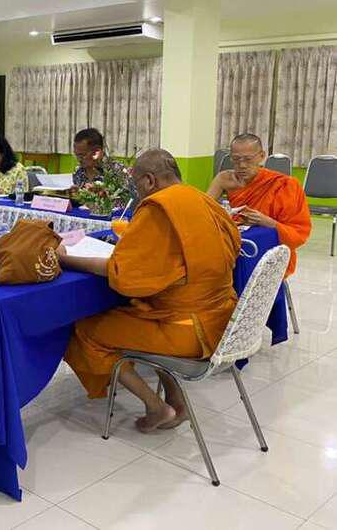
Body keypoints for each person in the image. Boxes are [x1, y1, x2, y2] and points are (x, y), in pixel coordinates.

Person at [58, 148, 241, 432]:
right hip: (224, 321)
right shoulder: (204, 199)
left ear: (149, 181)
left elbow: (122, 274)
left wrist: (66, 260)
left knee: (83, 330)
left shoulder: (159, 208)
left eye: (137, 184)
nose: (138, 192)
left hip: (188, 330)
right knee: (141, 312)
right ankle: (176, 400)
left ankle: (157, 407)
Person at [207, 133, 311, 277]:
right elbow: (204, 209)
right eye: (236, 159)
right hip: (237, 244)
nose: (242, 165)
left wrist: (266, 222)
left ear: (261, 156)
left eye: (248, 159)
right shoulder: (225, 179)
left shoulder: (284, 185)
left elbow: (298, 234)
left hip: (269, 249)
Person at [72, 128, 135, 199]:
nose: (79, 159)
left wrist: (105, 196)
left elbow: (133, 199)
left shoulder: (117, 170)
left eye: (82, 155)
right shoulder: (78, 171)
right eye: (76, 155)